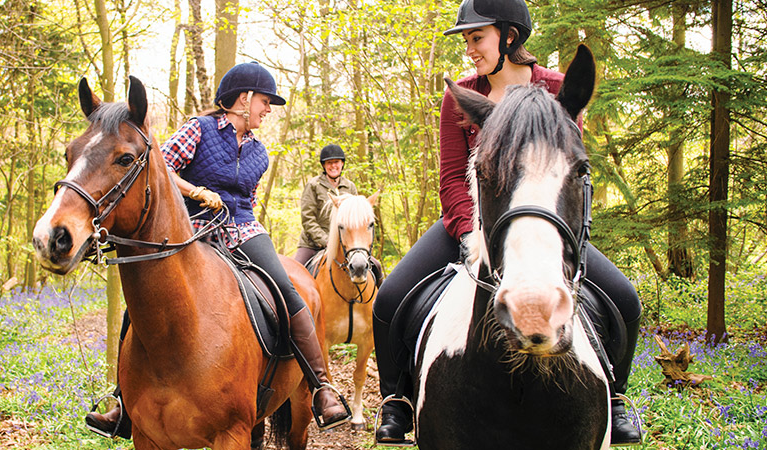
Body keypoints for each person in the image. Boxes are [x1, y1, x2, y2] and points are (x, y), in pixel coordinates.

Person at [371, 0, 643, 446]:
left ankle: (615, 397)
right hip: (474, 224)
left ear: (509, 36)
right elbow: (452, 177)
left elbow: (570, 172)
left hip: (546, 224)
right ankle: (397, 399)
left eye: (477, 38)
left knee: (625, 301)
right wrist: (468, 235)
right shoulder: (459, 93)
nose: (470, 49)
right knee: (392, 297)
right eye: (467, 40)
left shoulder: (557, 90)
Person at [85, 62, 351, 437]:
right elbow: (159, 170)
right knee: (144, 302)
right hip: (191, 229)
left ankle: (322, 386)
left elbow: (249, 200)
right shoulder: (199, 128)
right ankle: (123, 404)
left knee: (289, 291)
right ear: (243, 99)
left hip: (242, 229)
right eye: (264, 101)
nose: (268, 109)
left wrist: (246, 223)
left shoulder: (260, 153)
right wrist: (196, 192)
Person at [293, 144, 359, 266]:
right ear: (324, 165)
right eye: (329, 163)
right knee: (293, 272)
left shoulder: (350, 187)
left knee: (375, 266)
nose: (333, 166)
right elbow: (308, 219)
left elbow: (355, 220)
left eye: (336, 162)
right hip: (313, 245)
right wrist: (326, 241)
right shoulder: (313, 185)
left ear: (342, 164)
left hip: (345, 245)